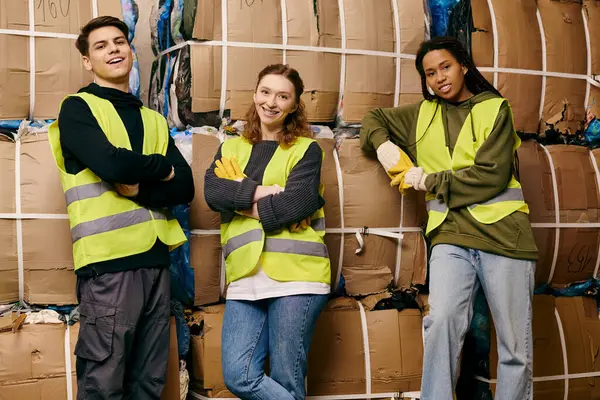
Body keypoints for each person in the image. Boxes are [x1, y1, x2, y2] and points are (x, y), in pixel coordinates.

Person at [360, 37, 539, 400]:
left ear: (464, 66)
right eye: (430, 73)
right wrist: (383, 145)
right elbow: (372, 119)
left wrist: (429, 180)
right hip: (450, 237)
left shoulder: (494, 109)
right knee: (440, 323)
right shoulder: (421, 115)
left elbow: (492, 175)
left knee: (513, 345)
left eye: (445, 67)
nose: (439, 77)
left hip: (504, 237)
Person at [47, 16, 194, 399]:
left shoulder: (155, 120)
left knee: (148, 384)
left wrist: (140, 187)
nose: (113, 49)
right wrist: (161, 167)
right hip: (109, 269)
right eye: (100, 46)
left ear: (131, 51)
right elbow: (112, 165)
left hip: (157, 264)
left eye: (119, 42)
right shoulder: (77, 109)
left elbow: (186, 186)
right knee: (104, 383)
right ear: (86, 60)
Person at [204, 64, 330, 400]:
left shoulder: (306, 150)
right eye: (265, 92)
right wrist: (267, 192)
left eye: (282, 96)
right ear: (255, 94)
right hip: (245, 275)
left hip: (297, 276)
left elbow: (298, 204)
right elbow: (213, 194)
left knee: (288, 379)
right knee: (239, 376)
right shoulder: (230, 147)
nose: (271, 102)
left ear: (294, 105)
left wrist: (241, 198)